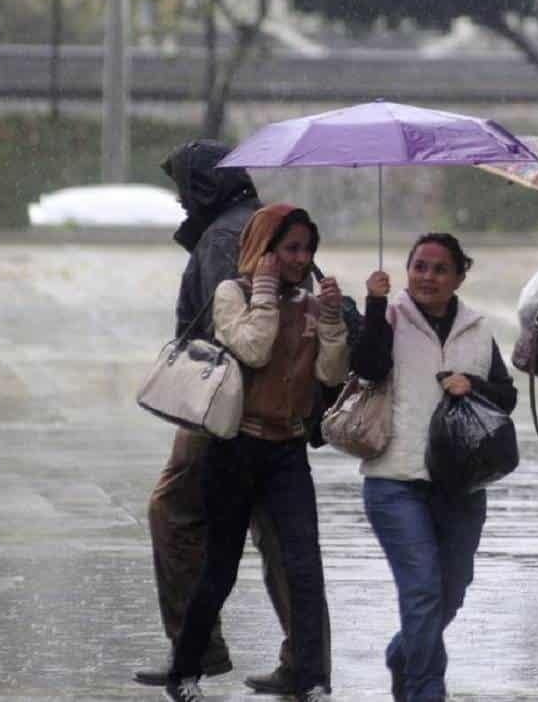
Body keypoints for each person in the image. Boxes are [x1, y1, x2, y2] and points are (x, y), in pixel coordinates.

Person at [135, 141, 330, 696]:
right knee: (284, 546)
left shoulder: (226, 236)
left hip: (229, 412)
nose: (178, 201)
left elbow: (240, 338)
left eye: (182, 187)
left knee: (178, 515)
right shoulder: (254, 222)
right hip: (264, 416)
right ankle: (305, 664)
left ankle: (197, 650)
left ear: (200, 187)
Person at [164, 203, 348, 702]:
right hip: (235, 447)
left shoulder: (311, 306)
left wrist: (330, 319)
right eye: (290, 248)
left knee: (304, 567)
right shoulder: (233, 293)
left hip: (287, 452)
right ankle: (184, 672)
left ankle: (313, 679)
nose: (301, 258)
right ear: (263, 249)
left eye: (308, 249)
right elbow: (253, 350)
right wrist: (265, 293)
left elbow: (331, 375)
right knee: (219, 568)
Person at [351, 233, 517, 702]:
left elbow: (507, 397)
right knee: (422, 591)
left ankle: (404, 653)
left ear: (459, 276)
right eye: (420, 266)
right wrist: (374, 302)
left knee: (451, 591)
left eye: (440, 269)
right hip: (394, 480)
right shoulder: (387, 316)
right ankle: (426, 691)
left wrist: (475, 385)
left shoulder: (478, 328)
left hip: (461, 486)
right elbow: (366, 367)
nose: (428, 277)